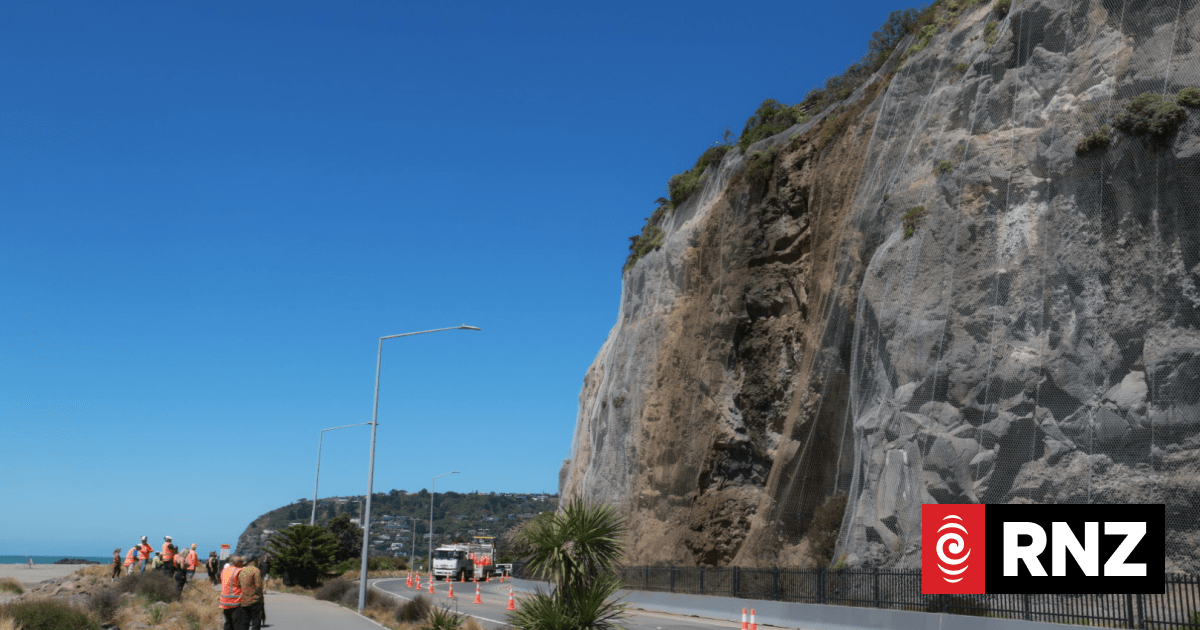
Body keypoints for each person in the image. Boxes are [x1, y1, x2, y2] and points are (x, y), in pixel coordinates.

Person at [219, 556, 245, 630]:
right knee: (237, 623)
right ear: (238, 562)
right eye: (241, 562)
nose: (242, 563)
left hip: (224, 601)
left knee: (228, 622)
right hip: (236, 601)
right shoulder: (239, 571)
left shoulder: (225, 570)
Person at [239, 556, 264, 630]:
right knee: (256, 622)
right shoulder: (256, 570)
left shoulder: (242, 571)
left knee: (244, 622)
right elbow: (258, 586)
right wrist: (261, 598)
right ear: (254, 560)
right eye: (258, 560)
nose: (258, 562)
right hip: (254, 600)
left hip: (244, 601)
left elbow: (239, 585)